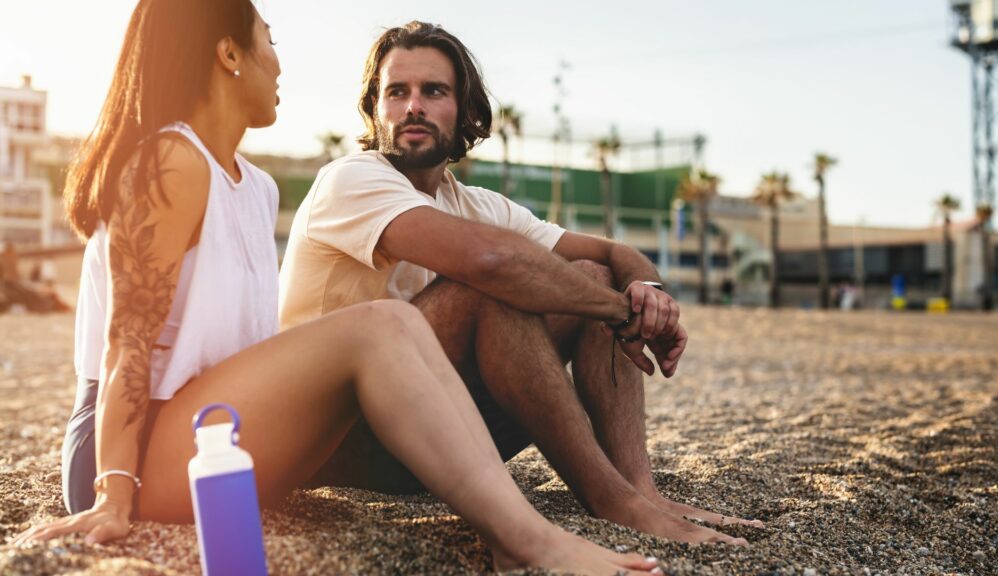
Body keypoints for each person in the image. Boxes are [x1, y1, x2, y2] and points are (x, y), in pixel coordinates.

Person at [12, 2, 661, 573]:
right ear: (229, 53)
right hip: (133, 452)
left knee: (411, 317)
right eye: (269, 40)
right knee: (385, 321)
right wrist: (112, 493)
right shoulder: (169, 159)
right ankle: (527, 540)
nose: (279, 64)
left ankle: (580, 510)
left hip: (222, 433)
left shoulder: (255, 186)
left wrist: (631, 292)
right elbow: (127, 339)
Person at [279, 21, 762, 546]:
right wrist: (622, 312)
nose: (412, 106)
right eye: (397, 92)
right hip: (343, 438)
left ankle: (637, 490)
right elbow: (489, 262)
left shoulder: (478, 204)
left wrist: (650, 293)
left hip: (439, 434)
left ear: (463, 111)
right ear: (375, 108)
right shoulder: (351, 179)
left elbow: (608, 252)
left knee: (592, 276)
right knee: (495, 286)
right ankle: (613, 501)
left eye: (433, 91)